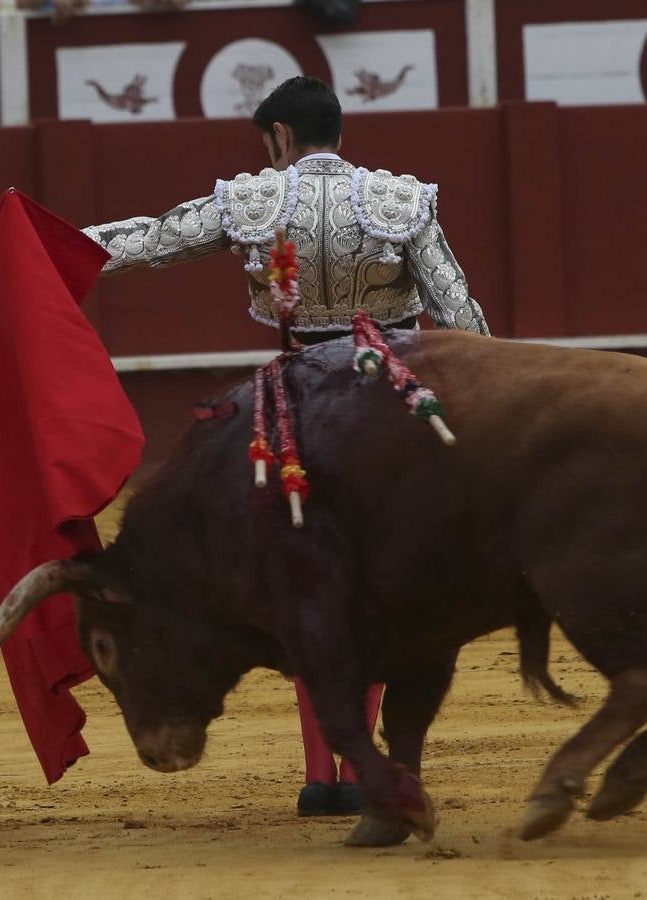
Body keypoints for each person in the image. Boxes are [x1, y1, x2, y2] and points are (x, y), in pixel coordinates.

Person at [80, 75, 489, 816]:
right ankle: (374, 764)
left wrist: (50, 246)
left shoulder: (256, 199)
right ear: (338, 131)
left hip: (295, 404)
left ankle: (319, 778)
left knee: (302, 576)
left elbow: (150, 241)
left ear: (279, 136)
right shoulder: (401, 199)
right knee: (393, 581)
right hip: (388, 403)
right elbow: (460, 312)